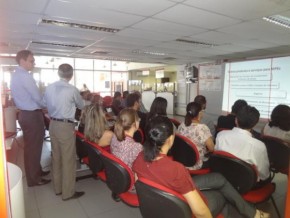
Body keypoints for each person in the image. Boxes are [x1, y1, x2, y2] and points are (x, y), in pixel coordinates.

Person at [133, 116, 269, 218]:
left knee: (219, 178)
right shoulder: (175, 169)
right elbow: (201, 212)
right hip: (180, 201)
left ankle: (252, 212)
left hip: (170, 189)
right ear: (170, 139)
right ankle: (252, 213)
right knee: (221, 194)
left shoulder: (139, 158)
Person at [43, 63, 85, 200]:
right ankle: (68, 193)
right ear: (71, 75)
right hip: (65, 126)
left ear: (58, 73)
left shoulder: (49, 87)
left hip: (52, 124)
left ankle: (58, 189)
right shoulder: (72, 89)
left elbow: (43, 103)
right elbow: (81, 105)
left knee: (56, 157)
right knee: (68, 160)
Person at [10, 50, 50, 187]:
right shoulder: (25, 76)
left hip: (25, 114)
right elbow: (37, 97)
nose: (34, 63)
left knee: (31, 147)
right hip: (31, 115)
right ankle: (34, 178)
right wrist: (47, 106)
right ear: (22, 61)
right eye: (31, 61)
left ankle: (36, 171)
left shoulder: (16, 75)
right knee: (34, 148)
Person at [215, 105, 270, 184]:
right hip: (247, 184)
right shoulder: (259, 146)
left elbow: (217, 158)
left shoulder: (221, 135)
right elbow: (264, 175)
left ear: (236, 120)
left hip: (224, 177)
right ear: (255, 124)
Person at [177, 102, 215, 170]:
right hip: (195, 163)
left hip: (181, 160)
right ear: (199, 113)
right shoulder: (202, 128)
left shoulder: (181, 125)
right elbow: (211, 148)